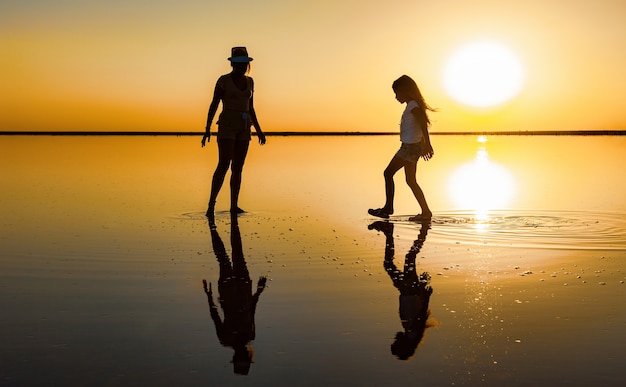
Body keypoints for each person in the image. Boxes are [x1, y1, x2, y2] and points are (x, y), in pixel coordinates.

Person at [201, 47, 266, 219]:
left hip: (244, 128)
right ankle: (211, 205)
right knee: (223, 164)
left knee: (237, 168)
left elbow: (251, 107)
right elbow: (214, 104)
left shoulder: (250, 82)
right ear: (232, 64)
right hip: (227, 127)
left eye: (244, 64)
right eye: (237, 64)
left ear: (247, 64)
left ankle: (233, 206)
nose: (241, 67)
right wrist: (207, 128)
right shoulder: (223, 81)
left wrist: (259, 131)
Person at [202, 216, 267, 375]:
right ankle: (226, 224)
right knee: (238, 253)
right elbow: (252, 310)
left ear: (236, 356)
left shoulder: (225, 339)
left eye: (241, 357)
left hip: (228, 292)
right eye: (245, 356)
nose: (243, 353)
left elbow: (215, 316)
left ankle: (213, 228)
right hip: (244, 290)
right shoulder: (250, 335)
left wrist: (209, 295)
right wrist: (259, 290)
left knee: (223, 258)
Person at [369, 75, 436, 221]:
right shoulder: (411, 106)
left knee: (388, 173)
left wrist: (427, 144)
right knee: (411, 180)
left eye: (397, 93)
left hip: (410, 148)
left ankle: (388, 208)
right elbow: (420, 127)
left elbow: (423, 124)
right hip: (411, 146)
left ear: (406, 91)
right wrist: (424, 144)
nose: (396, 97)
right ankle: (426, 212)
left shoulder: (413, 106)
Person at [368, 220, 434, 360]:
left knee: (390, 264)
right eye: (396, 343)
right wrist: (425, 294)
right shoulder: (413, 333)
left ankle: (389, 232)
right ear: (403, 346)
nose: (394, 339)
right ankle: (423, 231)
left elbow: (419, 315)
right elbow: (421, 315)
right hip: (409, 290)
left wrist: (422, 290)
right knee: (407, 258)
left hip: (406, 291)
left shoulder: (411, 333)